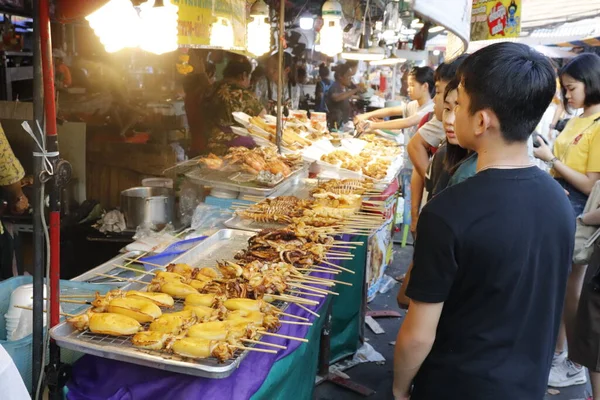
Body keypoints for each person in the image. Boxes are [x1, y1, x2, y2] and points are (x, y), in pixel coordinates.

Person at [393, 42, 573, 400]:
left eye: (456, 105)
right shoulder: (559, 202)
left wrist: (398, 389)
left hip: (455, 385)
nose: (449, 115)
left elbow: (417, 336)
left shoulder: (447, 213)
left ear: (481, 120)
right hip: (526, 386)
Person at [533, 52, 600, 388]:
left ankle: (574, 363)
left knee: (571, 289)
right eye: (565, 89)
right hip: (561, 205)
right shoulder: (577, 119)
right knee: (561, 289)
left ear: (591, 83)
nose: (567, 95)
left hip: (579, 210)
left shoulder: (599, 123)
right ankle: (560, 353)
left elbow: (590, 182)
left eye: (571, 88)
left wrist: (551, 158)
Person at [199, 58, 266, 156]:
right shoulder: (241, 94)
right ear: (243, 76)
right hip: (233, 151)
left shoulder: (209, 89)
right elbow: (262, 116)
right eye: (249, 77)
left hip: (206, 146)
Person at [326, 63, 361, 130]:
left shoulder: (345, 88)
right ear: (340, 77)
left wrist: (361, 96)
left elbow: (346, 96)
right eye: (348, 76)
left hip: (343, 123)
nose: (350, 79)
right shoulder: (335, 86)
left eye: (351, 77)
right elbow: (336, 98)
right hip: (335, 125)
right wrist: (355, 90)